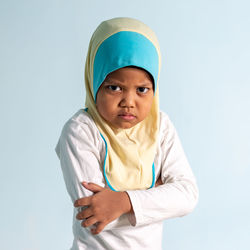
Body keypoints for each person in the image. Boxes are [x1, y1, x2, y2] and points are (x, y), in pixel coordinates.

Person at [55, 17, 199, 250]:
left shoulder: (160, 127)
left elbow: (188, 195)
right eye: (114, 87)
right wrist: (157, 193)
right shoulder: (81, 131)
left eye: (142, 89)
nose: (128, 102)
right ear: (95, 82)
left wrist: (123, 200)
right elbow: (93, 214)